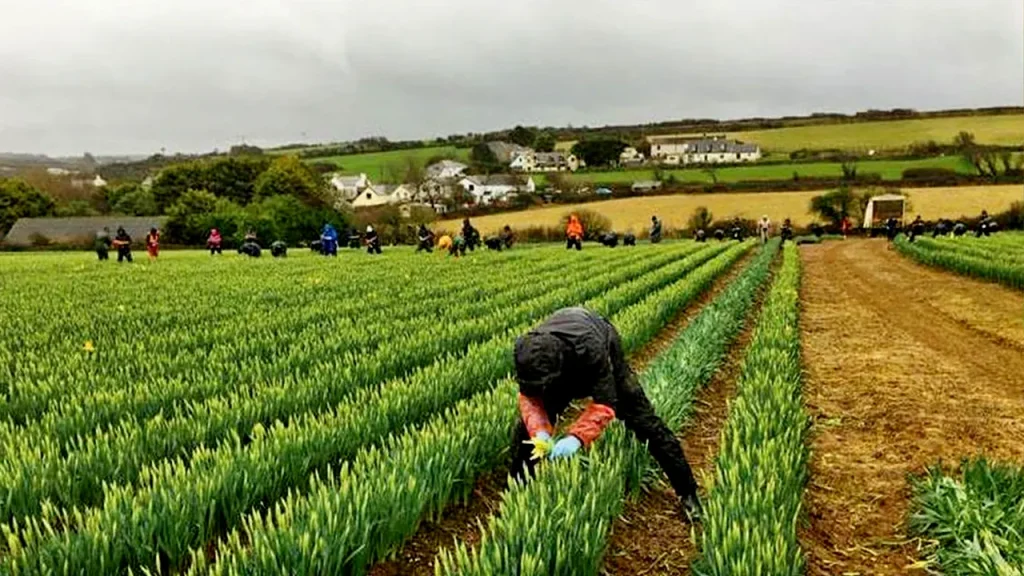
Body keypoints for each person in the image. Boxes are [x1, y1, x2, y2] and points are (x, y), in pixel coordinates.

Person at [511, 307, 701, 519]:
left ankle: (688, 492)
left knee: (647, 425)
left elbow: (605, 403)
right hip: (558, 369)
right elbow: (530, 397)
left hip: (603, 352)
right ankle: (518, 489)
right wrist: (538, 431)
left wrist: (576, 437)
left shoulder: (591, 350)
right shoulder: (528, 353)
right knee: (525, 435)